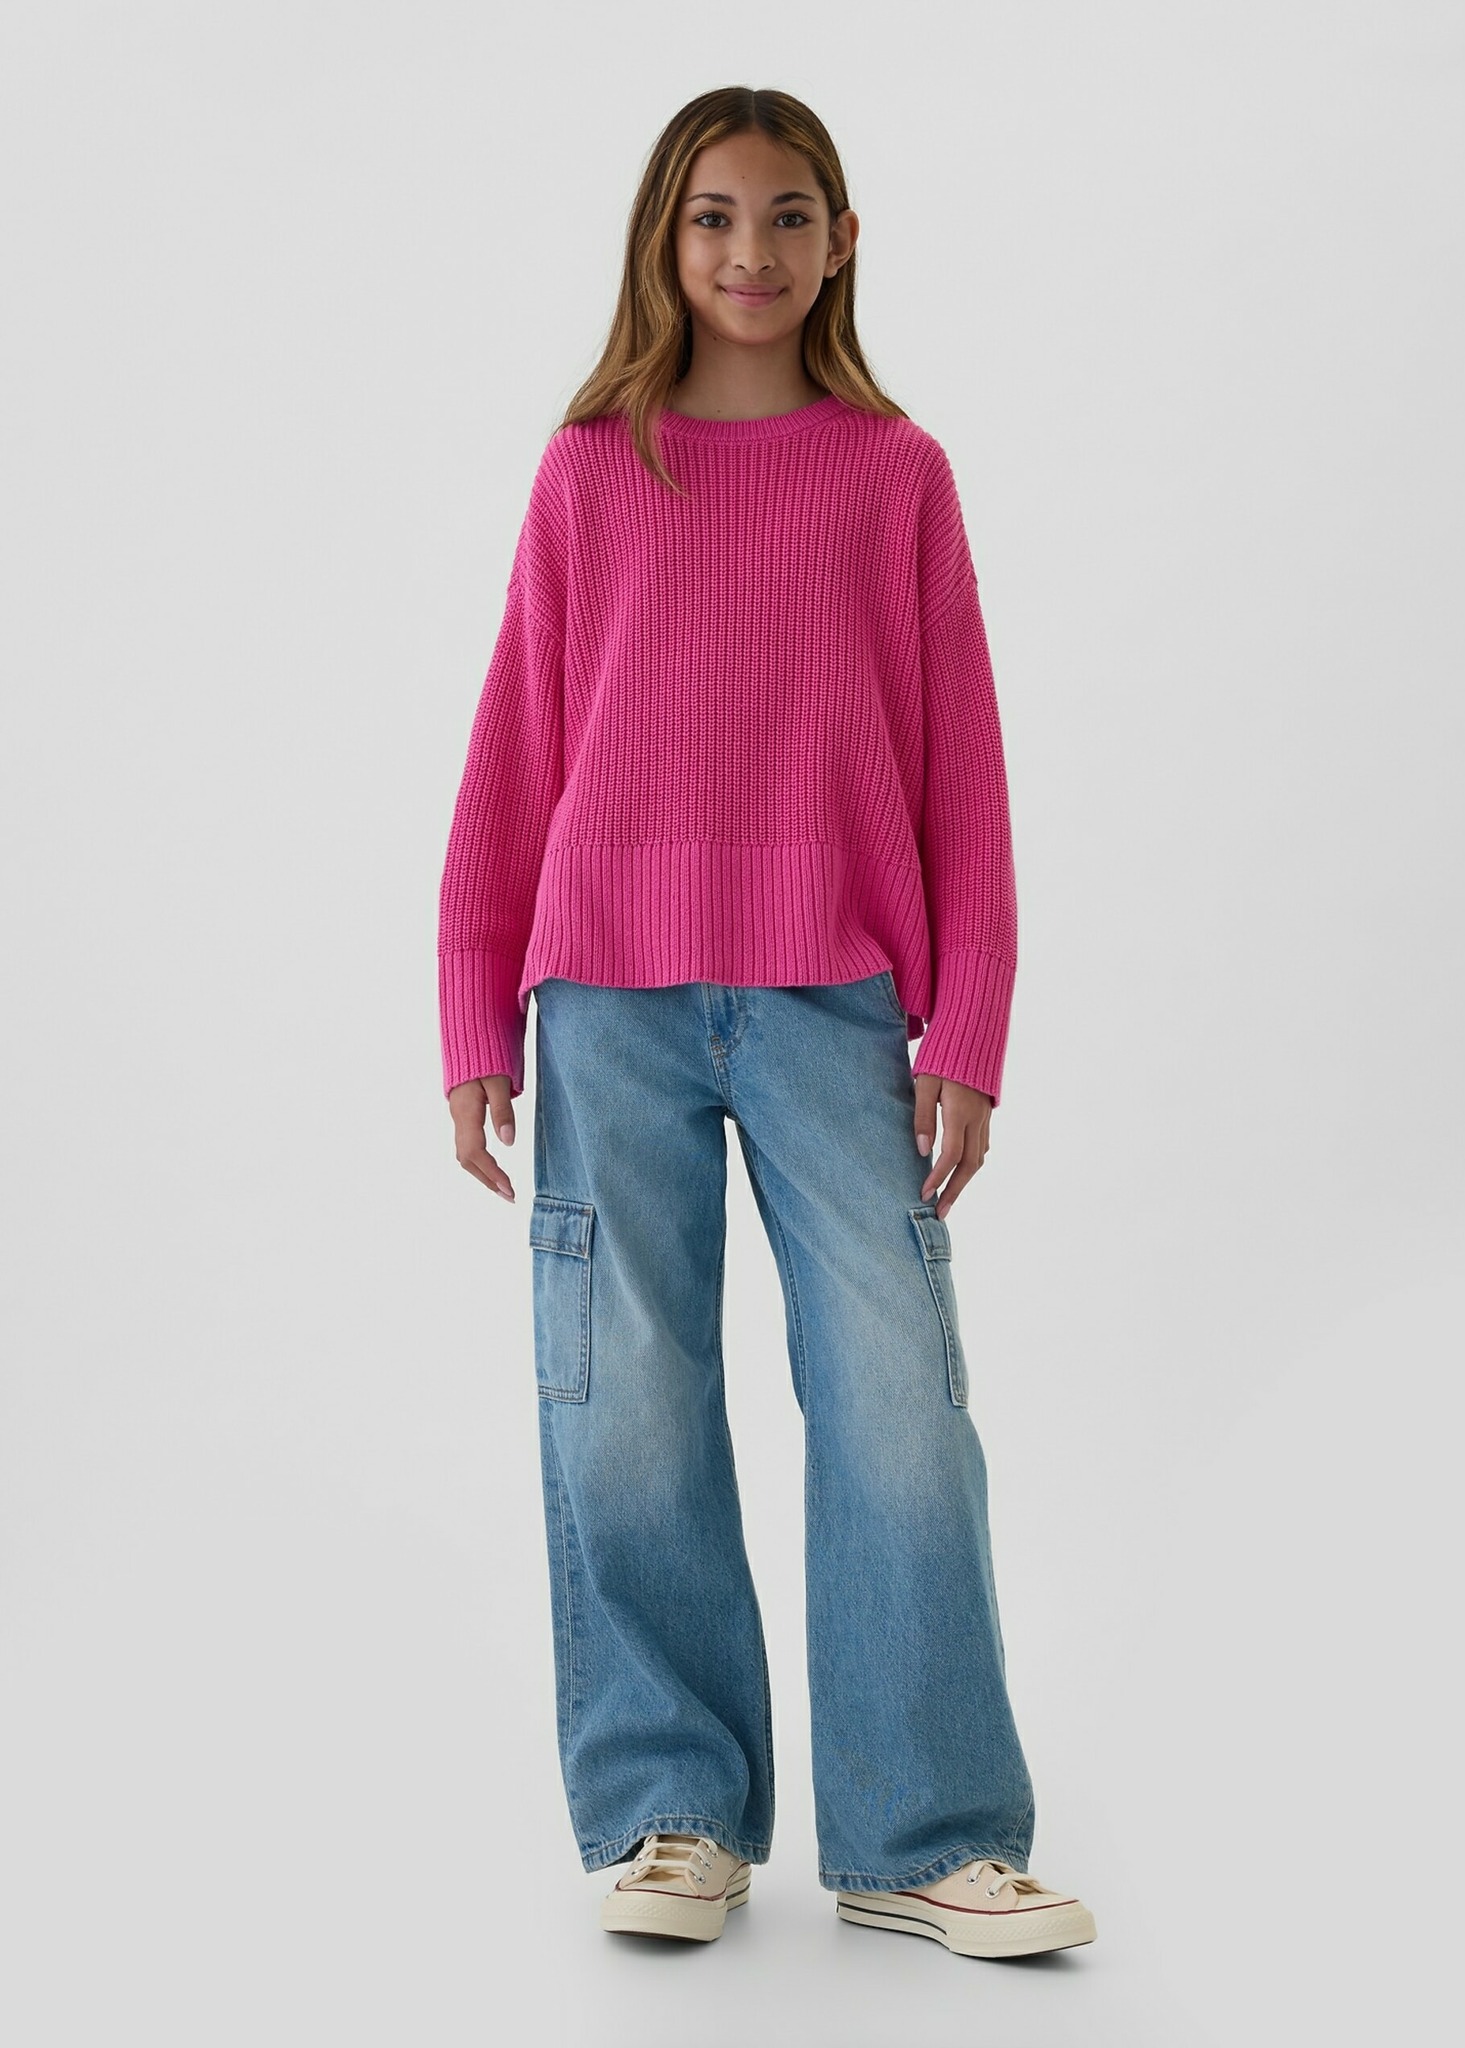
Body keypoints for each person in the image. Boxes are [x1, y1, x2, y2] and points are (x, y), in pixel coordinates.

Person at [436, 84, 1097, 1963]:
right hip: (607, 1001)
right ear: (666, 239)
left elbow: (962, 766)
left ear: (843, 239)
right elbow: (518, 747)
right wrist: (473, 1009)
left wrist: (968, 1024)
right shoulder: (590, 470)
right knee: (627, 1404)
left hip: (835, 999)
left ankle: (927, 1831)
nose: (751, 250)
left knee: (897, 1401)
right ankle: (672, 1812)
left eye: (789, 214)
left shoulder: (897, 476)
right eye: (715, 216)